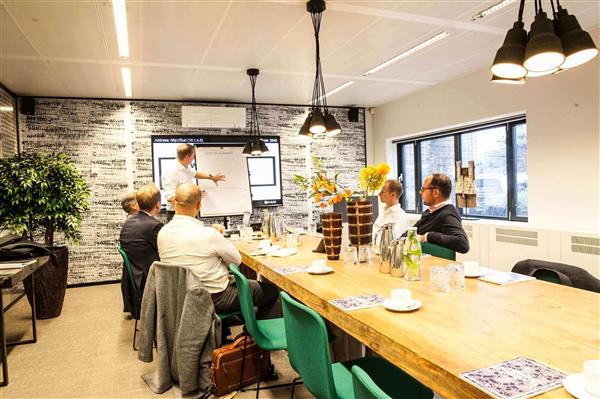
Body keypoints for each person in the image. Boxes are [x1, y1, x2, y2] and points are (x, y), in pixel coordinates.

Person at [157, 183, 278, 319]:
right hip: (215, 297)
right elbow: (236, 260)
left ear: (174, 202)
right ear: (199, 205)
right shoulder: (209, 235)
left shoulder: (162, 233)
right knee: (271, 291)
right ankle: (258, 334)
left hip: (178, 298)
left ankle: (229, 327)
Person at [119, 183, 164, 317]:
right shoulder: (154, 225)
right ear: (157, 204)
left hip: (136, 278)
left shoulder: (128, 222)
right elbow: (167, 251)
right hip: (150, 280)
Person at [162, 143, 226, 221]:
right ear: (187, 157)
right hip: (177, 214)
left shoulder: (185, 167)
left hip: (190, 212)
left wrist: (212, 177)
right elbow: (170, 197)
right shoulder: (172, 171)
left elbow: (196, 174)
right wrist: (193, 197)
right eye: (193, 156)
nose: (194, 158)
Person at [413, 173, 469, 254]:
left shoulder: (447, 214)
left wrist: (429, 236)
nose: (420, 192)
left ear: (436, 193)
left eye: (423, 189)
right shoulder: (429, 212)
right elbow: (412, 232)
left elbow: (463, 243)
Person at [373, 179, 410, 246]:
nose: (379, 194)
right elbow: (374, 233)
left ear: (393, 195)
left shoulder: (401, 217)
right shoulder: (384, 212)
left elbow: (390, 242)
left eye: (383, 191)